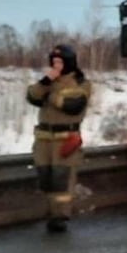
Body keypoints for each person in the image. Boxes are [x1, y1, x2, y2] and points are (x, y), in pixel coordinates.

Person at [25, 45, 92, 233]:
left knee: (61, 179)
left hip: (65, 139)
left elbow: (72, 105)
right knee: (46, 178)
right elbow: (32, 96)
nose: (56, 66)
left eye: (60, 62)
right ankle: (50, 211)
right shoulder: (48, 81)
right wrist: (46, 82)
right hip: (43, 139)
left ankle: (60, 216)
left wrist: (51, 95)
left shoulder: (80, 82)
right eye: (54, 62)